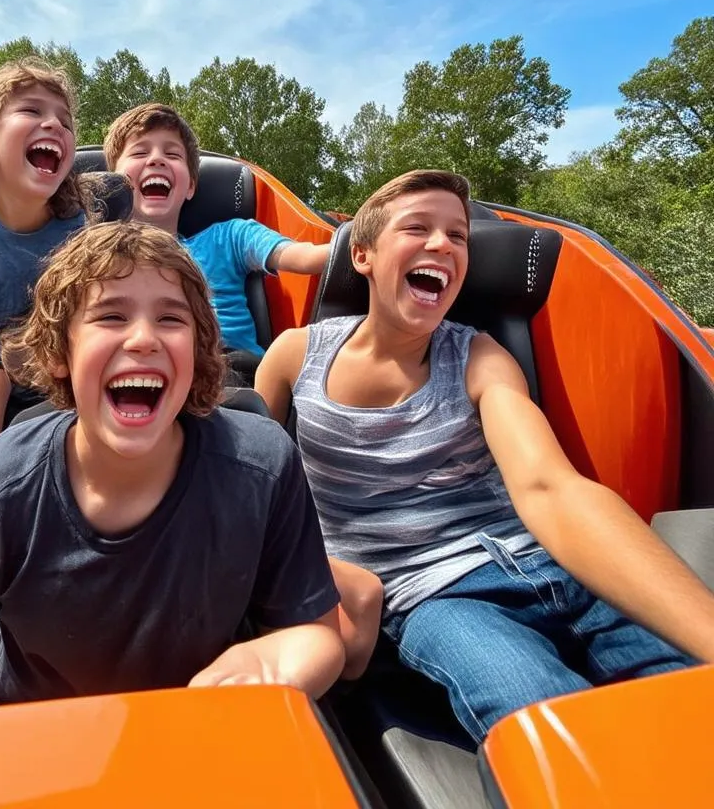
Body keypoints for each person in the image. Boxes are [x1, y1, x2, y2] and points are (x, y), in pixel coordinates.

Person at [255, 169, 711, 743]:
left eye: (458, 236)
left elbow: (551, 488)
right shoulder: (296, 356)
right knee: (558, 729)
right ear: (364, 255)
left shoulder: (480, 356)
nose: (442, 244)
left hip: (555, 568)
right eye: (417, 227)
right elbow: (249, 477)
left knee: (692, 697)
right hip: (436, 599)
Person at [0, 221, 345, 723]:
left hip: (186, 728)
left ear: (196, 350)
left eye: (171, 319)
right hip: (28, 730)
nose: (144, 338)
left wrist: (268, 662)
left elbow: (315, 631)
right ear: (61, 353)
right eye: (110, 316)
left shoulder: (262, 466)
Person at [0, 57, 96, 451]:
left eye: (66, 121)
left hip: (69, 373)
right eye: (31, 110)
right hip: (6, 361)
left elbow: (82, 337)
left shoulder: (76, 235)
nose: (56, 124)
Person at [103, 103, 330, 377]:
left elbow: (306, 256)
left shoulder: (230, 237)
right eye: (140, 151)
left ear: (190, 187)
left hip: (231, 371)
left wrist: (366, 244)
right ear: (114, 181)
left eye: (172, 153)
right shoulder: (99, 253)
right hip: (142, 367)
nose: (156, 159)